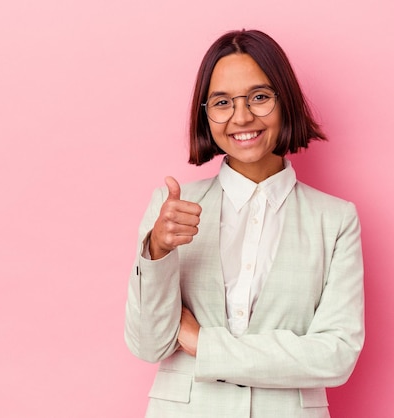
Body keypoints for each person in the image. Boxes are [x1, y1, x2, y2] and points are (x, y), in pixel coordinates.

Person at [124, 29, 364, 418]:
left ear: (285, 101)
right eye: (222, 102)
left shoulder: (335, 220)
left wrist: (204, 344)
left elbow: (335, 355)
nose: (242, 116)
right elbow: (148, 345)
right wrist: (157, 253)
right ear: (206, 113)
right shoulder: (173, 208)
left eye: (259, 97)